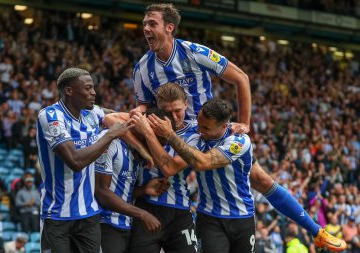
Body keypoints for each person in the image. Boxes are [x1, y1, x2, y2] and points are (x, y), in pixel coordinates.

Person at [133, 3, 346, 251]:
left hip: (207, 129)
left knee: (260, 179)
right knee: (173, 173)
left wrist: (245, 123)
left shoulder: (193, 52)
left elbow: (241, 78)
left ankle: (315, 231)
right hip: (178, 135)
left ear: (169, 28)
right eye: (144, 24)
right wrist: (140, 119)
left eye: (152, 23)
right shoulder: (142, 68)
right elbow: (143, 105)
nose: (146, 28)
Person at [36, 67, 133, 253]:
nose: (94, 92)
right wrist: (110, 135)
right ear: (69, 91)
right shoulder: (50, 116)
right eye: (88, 88)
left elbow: (120, 116)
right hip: (57, 216)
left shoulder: (91, 113)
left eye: (93, 88)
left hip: (88, 215)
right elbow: (75, 162)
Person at [142, 98, 255, 252]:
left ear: (223, 126)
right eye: (199, 122)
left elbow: (203, 163)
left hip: (242, 215)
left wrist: (169, 134)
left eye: (206, 128)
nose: (199, 130)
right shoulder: (197, 136)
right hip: (208, 217)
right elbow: (171, 166)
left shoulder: (239, 141)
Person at [95, 125, 169, 253]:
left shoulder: (138, 159)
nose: (153, 153)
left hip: (126, 226)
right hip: (105, 223)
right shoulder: (112, 140)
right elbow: (101, 191)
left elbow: (121, 193)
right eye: (153, 146)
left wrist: (144, 189)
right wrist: (142, 214)